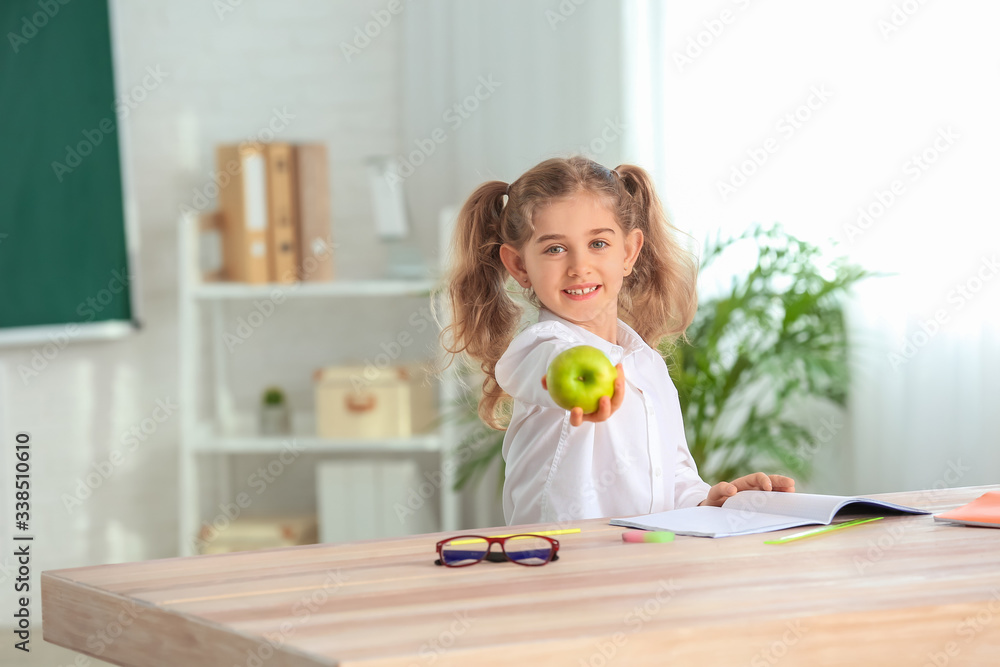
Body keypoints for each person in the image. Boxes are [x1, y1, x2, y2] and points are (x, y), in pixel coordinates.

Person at [442, 156, 795, 525]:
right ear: (518, 265)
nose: (579, 266)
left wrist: (712, 502)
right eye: (555, 249)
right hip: (559, 565)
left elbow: (672, 478)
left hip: (638, 560)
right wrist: (572, 389)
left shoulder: (648, 365)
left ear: (628, 252)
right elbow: (547, 369)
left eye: (597, 243)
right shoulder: (539, 347)